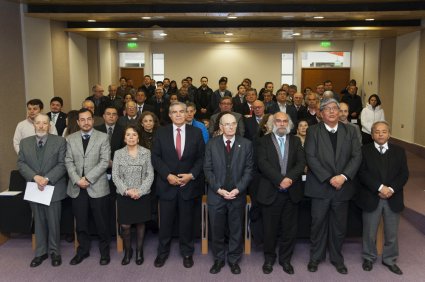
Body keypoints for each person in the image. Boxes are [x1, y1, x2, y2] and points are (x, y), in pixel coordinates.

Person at [304, 98, 362, 275]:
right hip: (320, 186)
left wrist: (343, 177)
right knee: (318, 224)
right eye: (327, 109)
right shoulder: (313, 131)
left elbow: (356, 156)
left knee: (339, 226)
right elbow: (310, 157)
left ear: (340, 112)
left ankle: (337, 258)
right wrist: (330, 178)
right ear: (321, 113)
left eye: (335, 109)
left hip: (342, 187)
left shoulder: (350, 131)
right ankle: (316, 257)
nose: (331, 112)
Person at [151, 102, 205, 269]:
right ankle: (162, 252)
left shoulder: (196, 132)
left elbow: (202, 158)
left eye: (182, 111)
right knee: (165, 222)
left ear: (188, 113)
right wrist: (167, 175)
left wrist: (191, 175)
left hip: (188, 186)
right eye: (175, 112)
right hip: (167, 185)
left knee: (187, 222)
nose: (179, 114)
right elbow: (155, 157)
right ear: (169, 115)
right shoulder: (161, 132)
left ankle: (187, 252)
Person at [204, 113, 254, 275]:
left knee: (236, 229)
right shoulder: (211, 144)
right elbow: (207, 169)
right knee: (216, 229)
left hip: (237, 195)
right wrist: (218, 189)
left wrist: (238, 189)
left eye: (233, 124)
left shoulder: (246, 144)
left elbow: (248, 170)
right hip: (216, 194)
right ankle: (218, 259)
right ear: (221, 127)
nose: (231, 127)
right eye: (227, 124)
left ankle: (233, 260)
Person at [256, 112, 306, 275]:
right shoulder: (263, 141)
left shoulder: (296, 140)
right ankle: (269, 259)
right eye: (278, 121)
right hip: (270, 191)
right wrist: (280, 180)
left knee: (289, 230)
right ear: (272, 123)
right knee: (269, 229)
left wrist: (289, 179)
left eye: (285, 121)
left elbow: (301, 163)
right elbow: (262, 163)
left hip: (292, 192)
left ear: (289, 124)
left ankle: (285, 260)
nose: (282, 124)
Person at [357, 121, 409, 275]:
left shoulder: (399, 151)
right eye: (377, 132)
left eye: (384, 131)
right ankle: (368, 257)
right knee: (369, 231)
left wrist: (390, 189)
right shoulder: (364, 150)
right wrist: (380, 188)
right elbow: (362, 173)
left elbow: (404, 174)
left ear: (389, 134)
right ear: (372, 135)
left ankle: (390, 259)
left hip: (393, 197)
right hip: (372, 196)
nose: (380, 134)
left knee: (391, 232)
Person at [17, 114, 67, 268]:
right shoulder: (24, 143)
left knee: (53, 223)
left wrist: (46, 179)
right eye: (38, 123)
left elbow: (62, 164)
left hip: (53, 187)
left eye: (44, 123)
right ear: (34, 125)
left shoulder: (60, 141)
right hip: (34, 188)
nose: (41, 126)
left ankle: (54, 252)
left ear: (49, 125)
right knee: (38, 222)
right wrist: (35, 177)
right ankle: (40, 252)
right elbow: (21, 163)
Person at [65, 108, 111, 266]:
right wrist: (78, 180)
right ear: (77, 122)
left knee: (101, 223)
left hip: (97, 186)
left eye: (88, 119)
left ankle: (105, 253)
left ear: (93, 120)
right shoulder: (70, 139)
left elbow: (105, 161)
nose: (86, 122)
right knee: (81, 223)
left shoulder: (103, 137)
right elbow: (68, 161)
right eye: (82, 119)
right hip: (77, 188)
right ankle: (82, 251)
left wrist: (88, 178)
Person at [112, 125, 154, 265]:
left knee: (141, 223)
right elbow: (115, 176)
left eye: (134, 134)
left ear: (138, 137)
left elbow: (150, 174)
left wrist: (140, 191)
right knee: (125, 225)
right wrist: (127, 191)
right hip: (125, 194)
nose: (131, 137)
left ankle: (139, 251)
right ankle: (128, 250)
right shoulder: (118, 153)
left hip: (142, 194)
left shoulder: (146, 152)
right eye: (128, 135)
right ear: (124, 138)